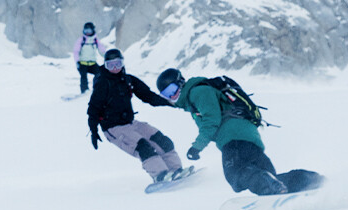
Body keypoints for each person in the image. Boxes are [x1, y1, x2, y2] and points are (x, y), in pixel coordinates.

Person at [155, 68, 325, 194]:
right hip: (247, 136)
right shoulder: (195, 96)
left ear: (181, 83)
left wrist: (197, 146)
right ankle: (309, 180)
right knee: (271, 179)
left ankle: (270, 184)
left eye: (172, 90)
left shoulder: (198, 91)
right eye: (166, 94)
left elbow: (211, 120)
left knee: (235, 175)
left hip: (233, 137)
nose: (172, 96)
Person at [87, 49, 185, 183]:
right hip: (114, 128)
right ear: (105, 65)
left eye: (118, 64)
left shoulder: (127, 80)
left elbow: (148, 96)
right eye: (111, 65)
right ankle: (160, 175)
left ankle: (176, 170)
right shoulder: (103, 84)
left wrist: (171, 103)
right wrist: (93, 130)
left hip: (131, 123)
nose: (115, 68)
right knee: (143, 146)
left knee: (161, 140)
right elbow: (93, 108)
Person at [73, 22, 108, 94]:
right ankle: (84, 91)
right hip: (82, 63)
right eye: (86, 31)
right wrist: (77, 62)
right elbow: (76, 51)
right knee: (83, 77)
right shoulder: (81, 40)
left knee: (99, 74)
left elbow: (101, 49)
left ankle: (98, 88)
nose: (88, 33)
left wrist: (107, 56)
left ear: (93, 30)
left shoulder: (95, 40)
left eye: (89, 31)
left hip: (92, 63)